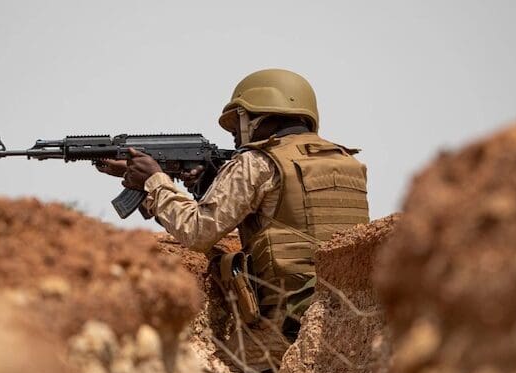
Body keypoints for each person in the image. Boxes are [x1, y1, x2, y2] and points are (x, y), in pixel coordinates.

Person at [96, 68, 369, 345]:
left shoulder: (256, 163)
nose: (234, 135)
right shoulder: (349, 163)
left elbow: (198, 231)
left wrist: (154, 181)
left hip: (281, 326)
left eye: (237, 122)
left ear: (257, 117)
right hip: (345, 315)